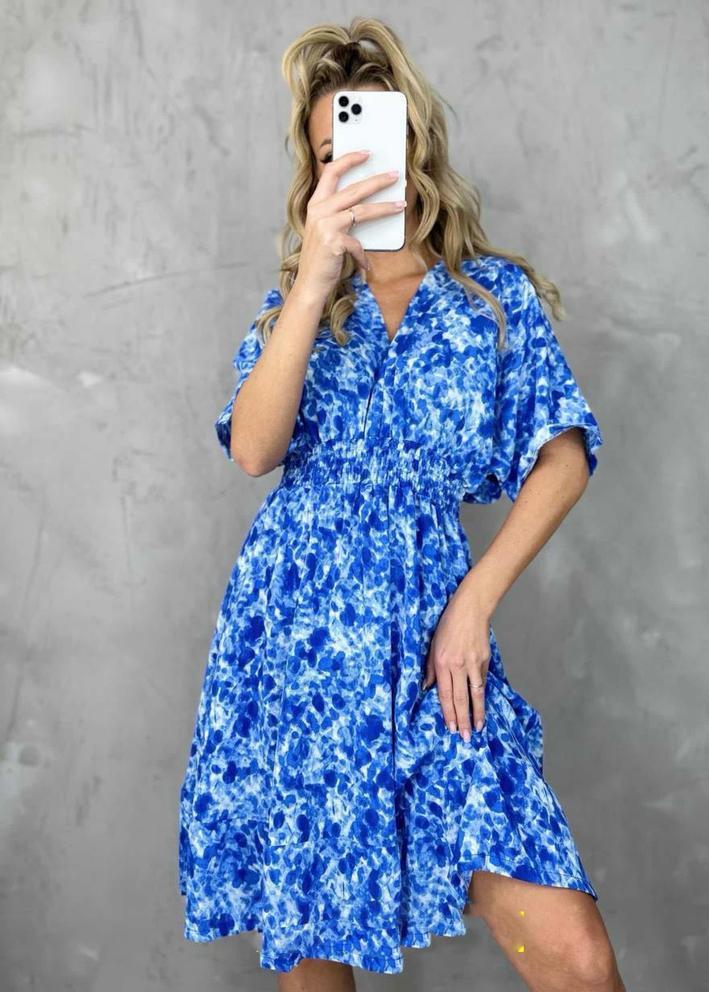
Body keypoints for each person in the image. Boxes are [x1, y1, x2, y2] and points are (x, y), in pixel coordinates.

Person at [178, 17, 626, 992]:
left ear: (414, 144)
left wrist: (474, 603)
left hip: (431, 633)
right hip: (299, 636)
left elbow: (563, 458)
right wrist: (314, 281)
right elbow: (254, 450)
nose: (351, 166)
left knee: (574, 956)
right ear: (312, 173)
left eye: (369, 142)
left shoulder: (490, 299)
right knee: (313, 935)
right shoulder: (298, 308)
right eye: (328, 154)